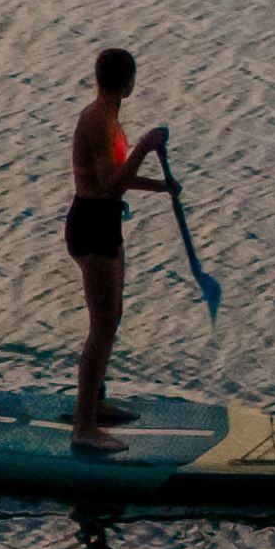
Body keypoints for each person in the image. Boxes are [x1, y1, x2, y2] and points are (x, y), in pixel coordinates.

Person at [65, 47, 170, 443]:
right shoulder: (97, 121)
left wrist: (161, 187)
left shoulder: (109, 118)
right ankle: (83, 427)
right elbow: (108, 186)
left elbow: (116, 178)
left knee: (112, 318)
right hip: (91, 226)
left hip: (105, 223)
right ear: (128, 84)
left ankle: (95, 401)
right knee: (102, 326)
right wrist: (143, 147)